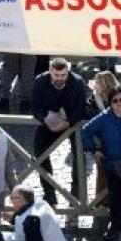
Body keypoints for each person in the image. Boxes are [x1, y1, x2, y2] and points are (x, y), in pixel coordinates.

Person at [83, 88, 121, 241]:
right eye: (115, 101)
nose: (119, 104)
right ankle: (116, 226)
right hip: (112, 165)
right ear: (110, 103)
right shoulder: (104, 118)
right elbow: (85, 131)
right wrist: (94, 149)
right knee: (115, 198)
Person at [31, 58, 85, 207]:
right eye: (56, 75)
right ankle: (49, 194)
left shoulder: (78, 82)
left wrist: (67, 123)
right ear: (50, 72)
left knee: (80, 155)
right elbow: (35, 107)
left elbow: (81, 109)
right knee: (40, 155)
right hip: (48, 123)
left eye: (63, 75)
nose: (60, 78)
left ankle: (77, 194)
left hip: (72, 124)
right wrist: (46, 119)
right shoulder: (39, 81)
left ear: (68, 72)